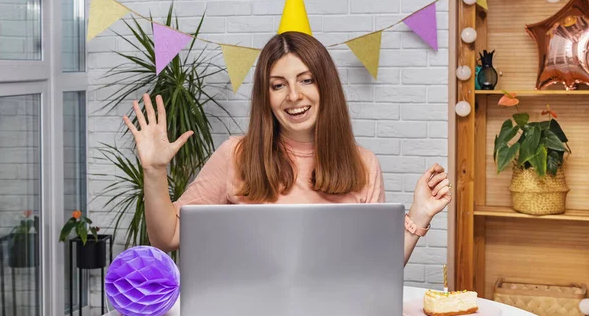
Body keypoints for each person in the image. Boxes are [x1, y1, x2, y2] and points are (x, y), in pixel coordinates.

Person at [123, 31, 452, 265]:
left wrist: (418, 216)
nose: (294, 95)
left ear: (326, 86)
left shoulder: (363, 165)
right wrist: (154, 172)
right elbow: (167, 238)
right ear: (266, 97)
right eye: (278, 85)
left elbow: (378, 266)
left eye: (306, 80)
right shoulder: (235, 155)